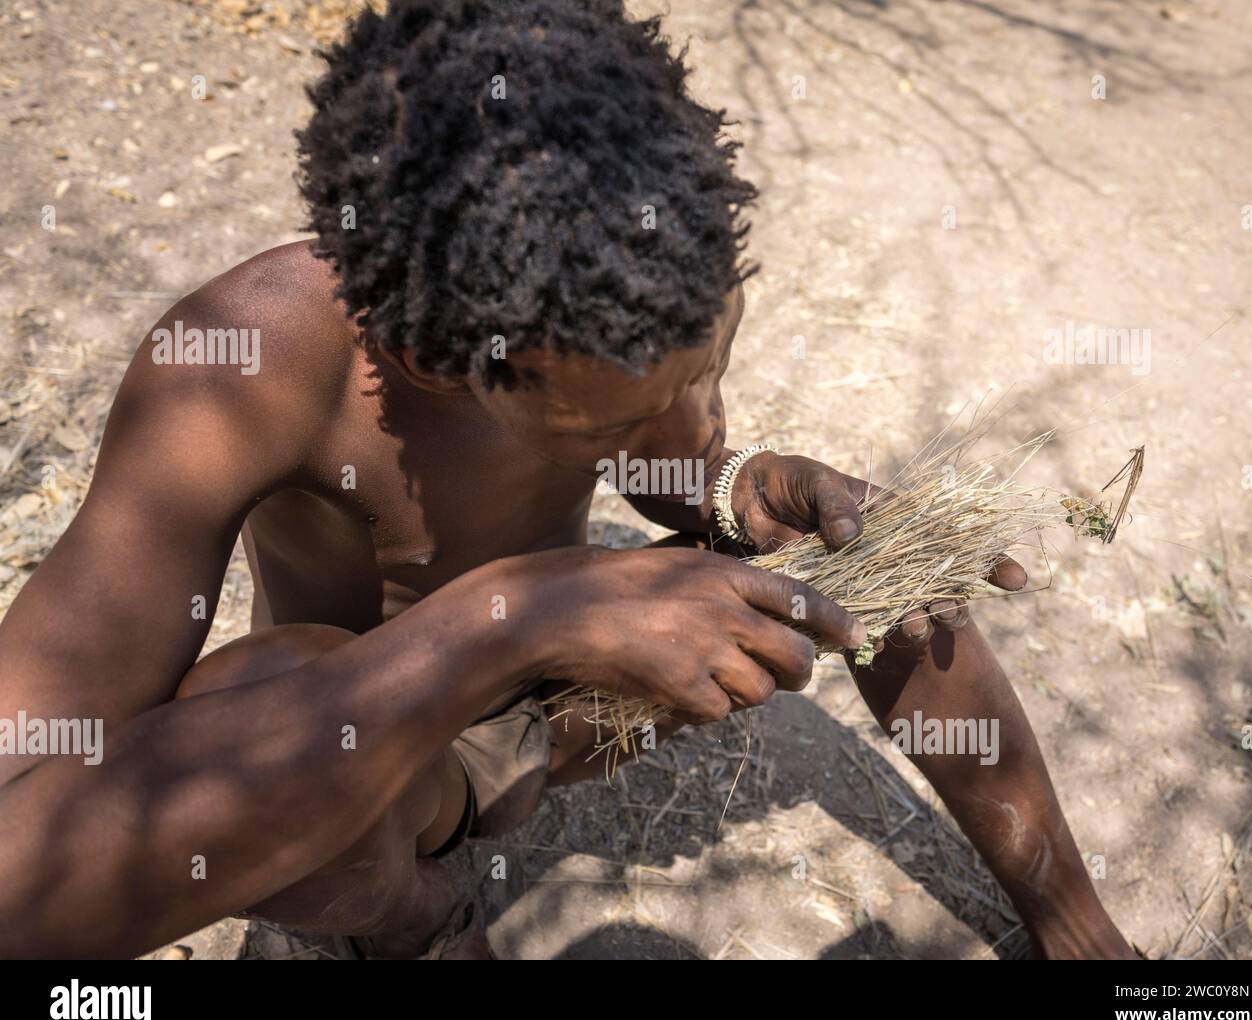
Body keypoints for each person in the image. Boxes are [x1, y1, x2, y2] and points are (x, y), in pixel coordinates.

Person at [0, 0, 1134, 959]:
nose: (689, 424)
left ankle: (1084, 935)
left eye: (713, 368)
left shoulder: (617, 292)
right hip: (389, 760)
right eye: (628, 416)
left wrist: (737, 484)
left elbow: (680, 463)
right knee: (257, 705)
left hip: (582, 705)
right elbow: (21, 869)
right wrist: (517, 617)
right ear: (436, 362)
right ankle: (419, 925)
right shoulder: (245, 365)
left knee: (868, 552)